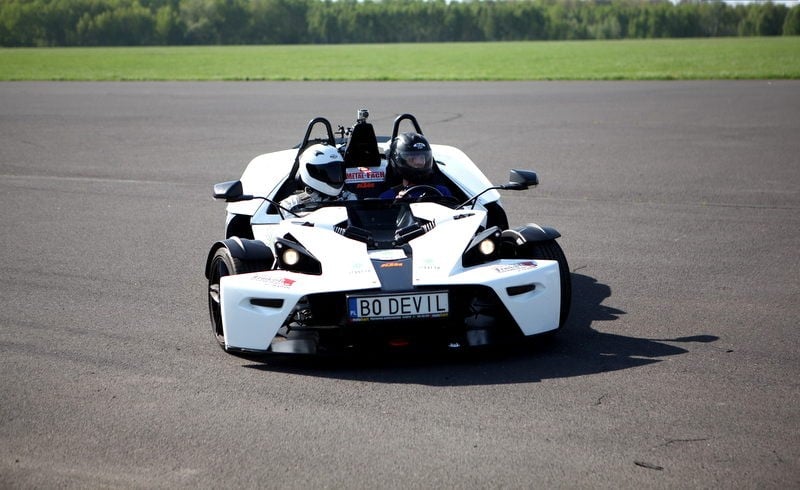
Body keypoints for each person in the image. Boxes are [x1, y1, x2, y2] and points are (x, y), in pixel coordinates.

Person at [280, 143, 355, 213]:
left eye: (337, 171)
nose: (336, 176)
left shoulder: (350, 198)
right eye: (328, 173)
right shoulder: (291, 205)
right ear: (311, 171)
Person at [379, 132, 451, 200]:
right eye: (412, 158)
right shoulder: (388, 197)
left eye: (422, 158)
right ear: (400, 161)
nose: (418, 162)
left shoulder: (442, 192)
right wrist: (398, 205)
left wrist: (438, 201)